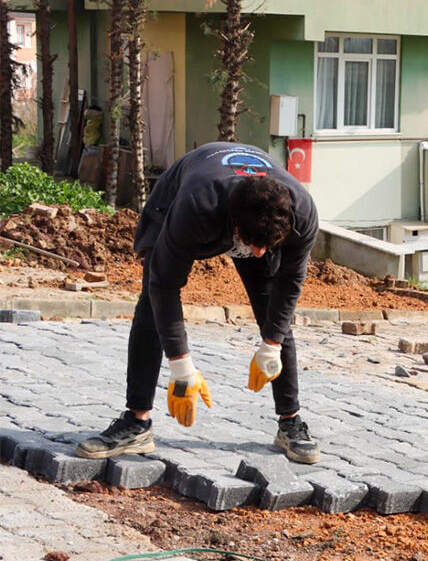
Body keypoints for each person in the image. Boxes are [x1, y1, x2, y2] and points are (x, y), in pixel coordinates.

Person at [75, 142, 321, 463]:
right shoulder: (196, 205)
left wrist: (271, 344)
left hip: (251, 213)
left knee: (273, 307)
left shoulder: (300, 212)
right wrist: (181, 368)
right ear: (234, 226)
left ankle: (290, 422)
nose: (259, 254)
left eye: (267, 246)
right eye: (252, 244)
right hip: (181, 196)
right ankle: (137, 423)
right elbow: (164, 286)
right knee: (150, 304)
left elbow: (289, 285)